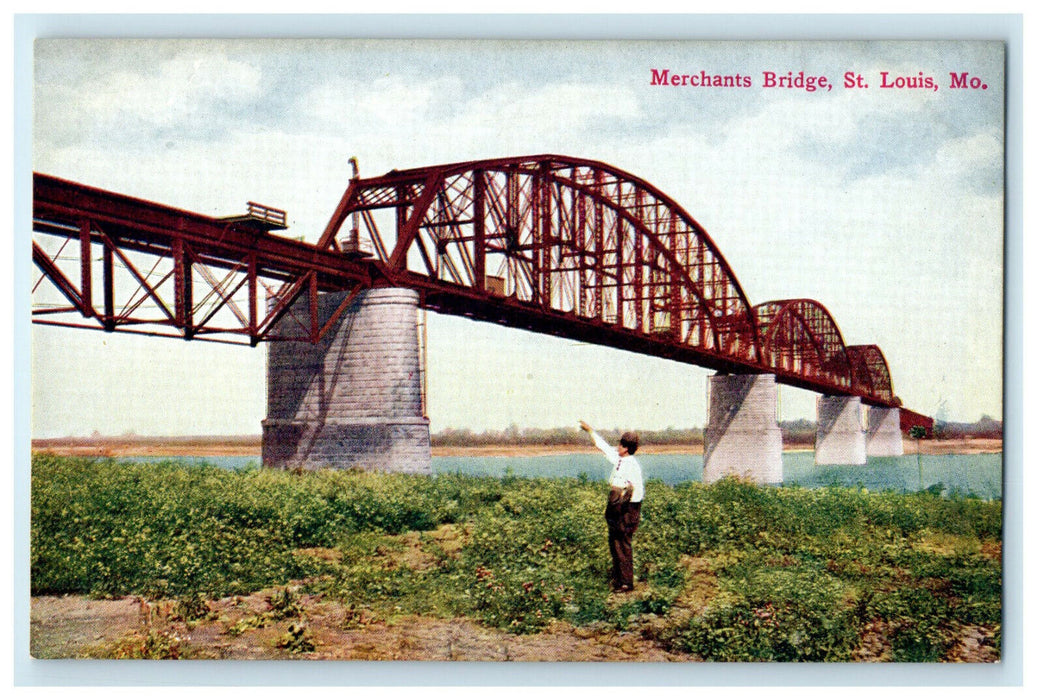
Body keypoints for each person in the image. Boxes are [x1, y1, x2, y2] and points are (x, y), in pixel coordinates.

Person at [579, 420, 644, 593]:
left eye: (621, 444)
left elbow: (636, 492)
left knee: (622, 543)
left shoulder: (632, 465)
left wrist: (627, 513)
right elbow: (604, 447)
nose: (617, 447)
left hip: (626, 509)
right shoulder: (620, 459)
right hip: (617, 506)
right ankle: (619, 579)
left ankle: (626, 583)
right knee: (614, 542)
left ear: (627, 448)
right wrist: (590, 431)